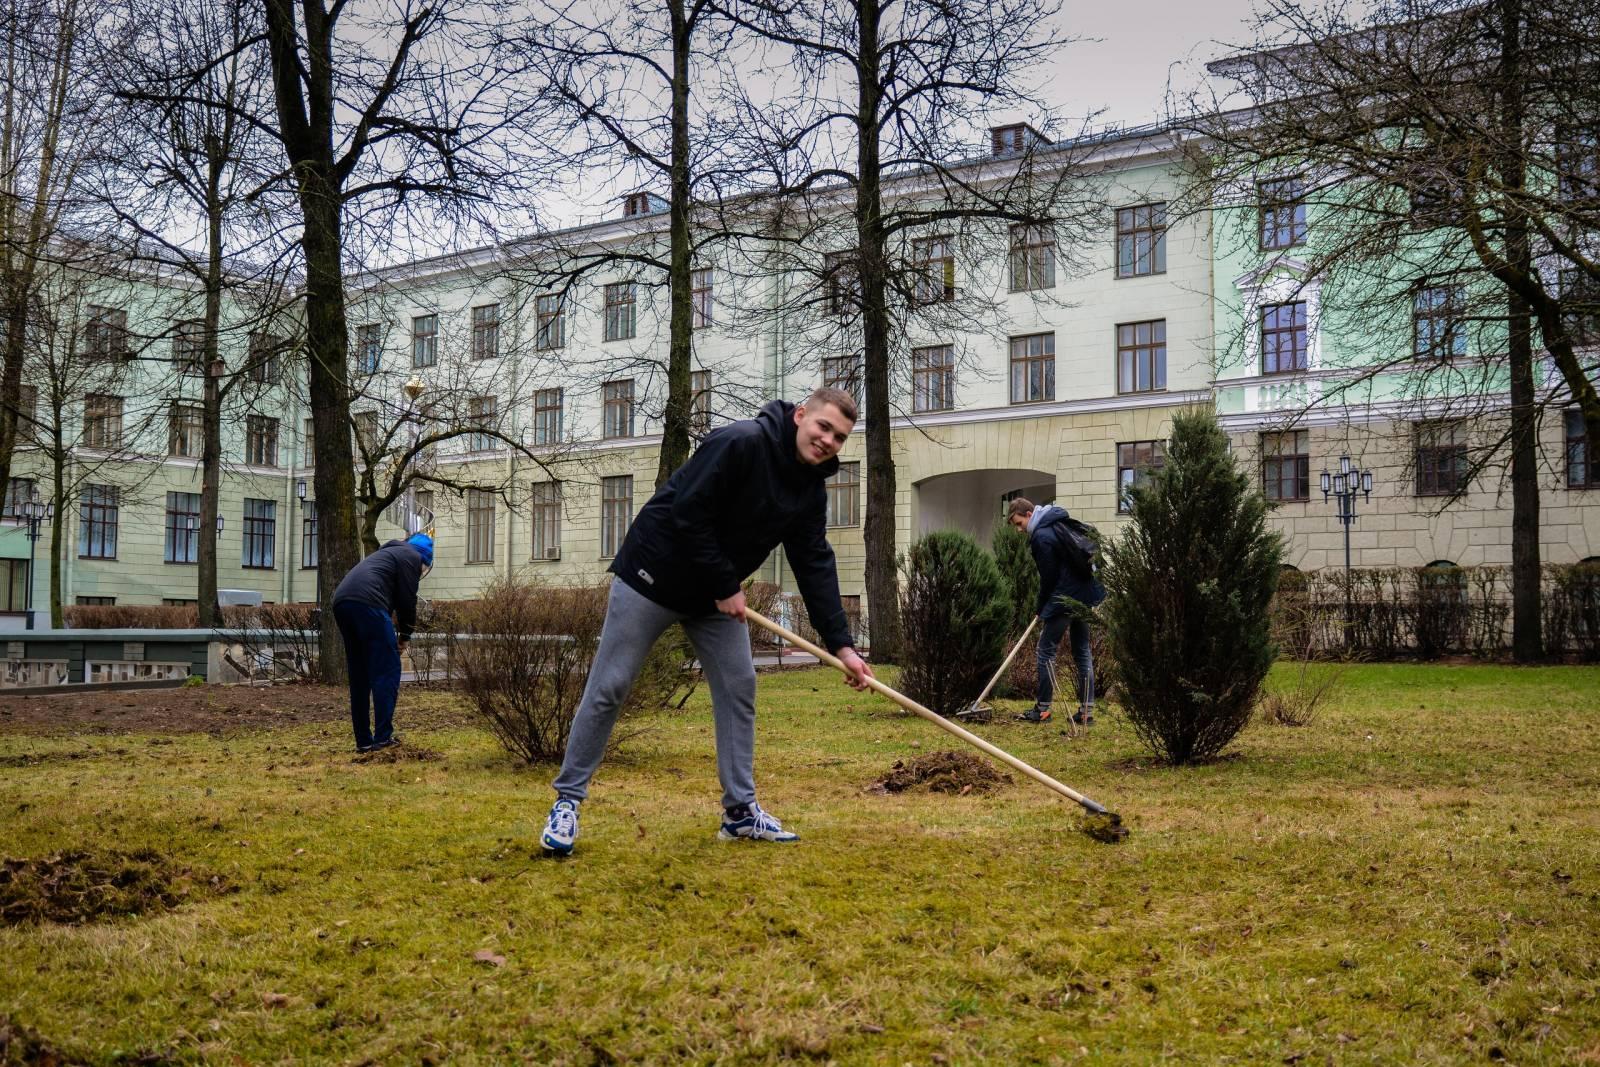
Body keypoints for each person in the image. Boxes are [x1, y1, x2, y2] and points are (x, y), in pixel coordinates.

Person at [540, 387, 874, 855]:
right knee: (610, 685)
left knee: (739, 686)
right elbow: (687, 512)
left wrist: (842, 645)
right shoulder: (740, 442)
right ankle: (567, 803)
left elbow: (814, 561)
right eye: (823, 427)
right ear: (801, 416)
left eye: (839, 438)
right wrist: (725, 583)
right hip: (651, 576)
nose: (828, 442)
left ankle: (739, 814)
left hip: (712, 598)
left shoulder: (809, 489)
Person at [331, 531, 434, 752]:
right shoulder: (411, 557)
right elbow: (407, 602)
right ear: (423, 558)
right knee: (386, 670)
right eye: (424, 569)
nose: (421, 572)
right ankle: (383, 738)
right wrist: (405, 637)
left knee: (360, 675)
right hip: (368, 604)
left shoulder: (387, 554)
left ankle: (364, 741)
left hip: (342, 602)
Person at [1006, 497, 1104, 727]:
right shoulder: (1058, 521)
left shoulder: (1041, 536)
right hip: (1084, 594)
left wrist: (1041, 608)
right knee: (1082, 650)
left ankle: (1042, 710)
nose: (1020, 531)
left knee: (1045, 651)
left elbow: (1048, 579)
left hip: (1064, 597)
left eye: (1019, 524)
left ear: (1029, 514)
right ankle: (1087, 712)